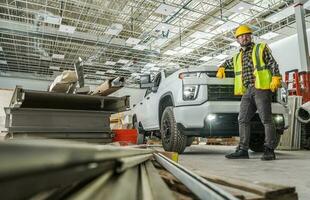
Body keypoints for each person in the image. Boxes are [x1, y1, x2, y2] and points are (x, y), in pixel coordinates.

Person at [216, 25, 282, 161]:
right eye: (241, 36)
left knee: (266, 119)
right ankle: (243, 150)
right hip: (247, 91)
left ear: (250, 36)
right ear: (237, 40)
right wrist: (221, 67)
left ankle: (269, 150)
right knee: (242, 119)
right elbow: (228, 62)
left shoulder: (260, 49)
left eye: (246, 35)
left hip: (261, 88)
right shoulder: (238, 56)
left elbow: (273, 64)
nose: (244, 37)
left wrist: (276, 77)